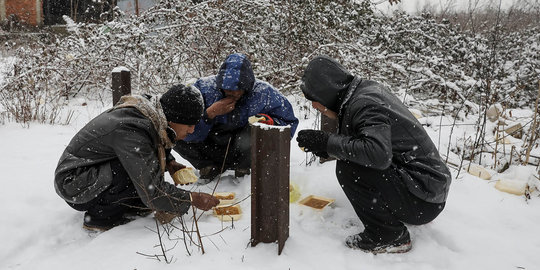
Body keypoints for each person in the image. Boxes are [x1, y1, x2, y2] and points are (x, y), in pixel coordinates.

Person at [296, 56, 451, 254]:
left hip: (423, 199)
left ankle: (389, 236)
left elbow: (377, 154)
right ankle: (389, 221)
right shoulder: (362, 92)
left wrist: (327, 142)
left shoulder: (364, 104)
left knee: (350, 168)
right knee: (354, 160)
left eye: (314, 100)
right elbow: (371, 142)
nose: (314, 107)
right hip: (426, 188)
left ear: (326, 93)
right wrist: (328, 147)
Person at [54, 84, 220, 232]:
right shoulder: (133, 129)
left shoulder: (151, 115)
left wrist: (169, 161)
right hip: (73, 183)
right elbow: (153, 190)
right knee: (138, 172)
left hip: (91, 173)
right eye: (189, 124)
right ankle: (101, 218)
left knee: (142, 167)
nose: (191, 130)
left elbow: (153, 141)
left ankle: (127, 206)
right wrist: (192, 199)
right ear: (172, 119)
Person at [174, 53, 299, 182]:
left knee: (255, 129)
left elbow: (288, 123)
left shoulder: (264, 93)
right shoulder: (203, 89)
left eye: (237, 89)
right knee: (175, 134)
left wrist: (269, 122)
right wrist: (209, 114)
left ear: (247, 86)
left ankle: (244, 168)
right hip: (210, 144)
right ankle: (208, 166)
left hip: (243, 149)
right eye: (227, 89)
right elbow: (182, 125)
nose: (231, 93)